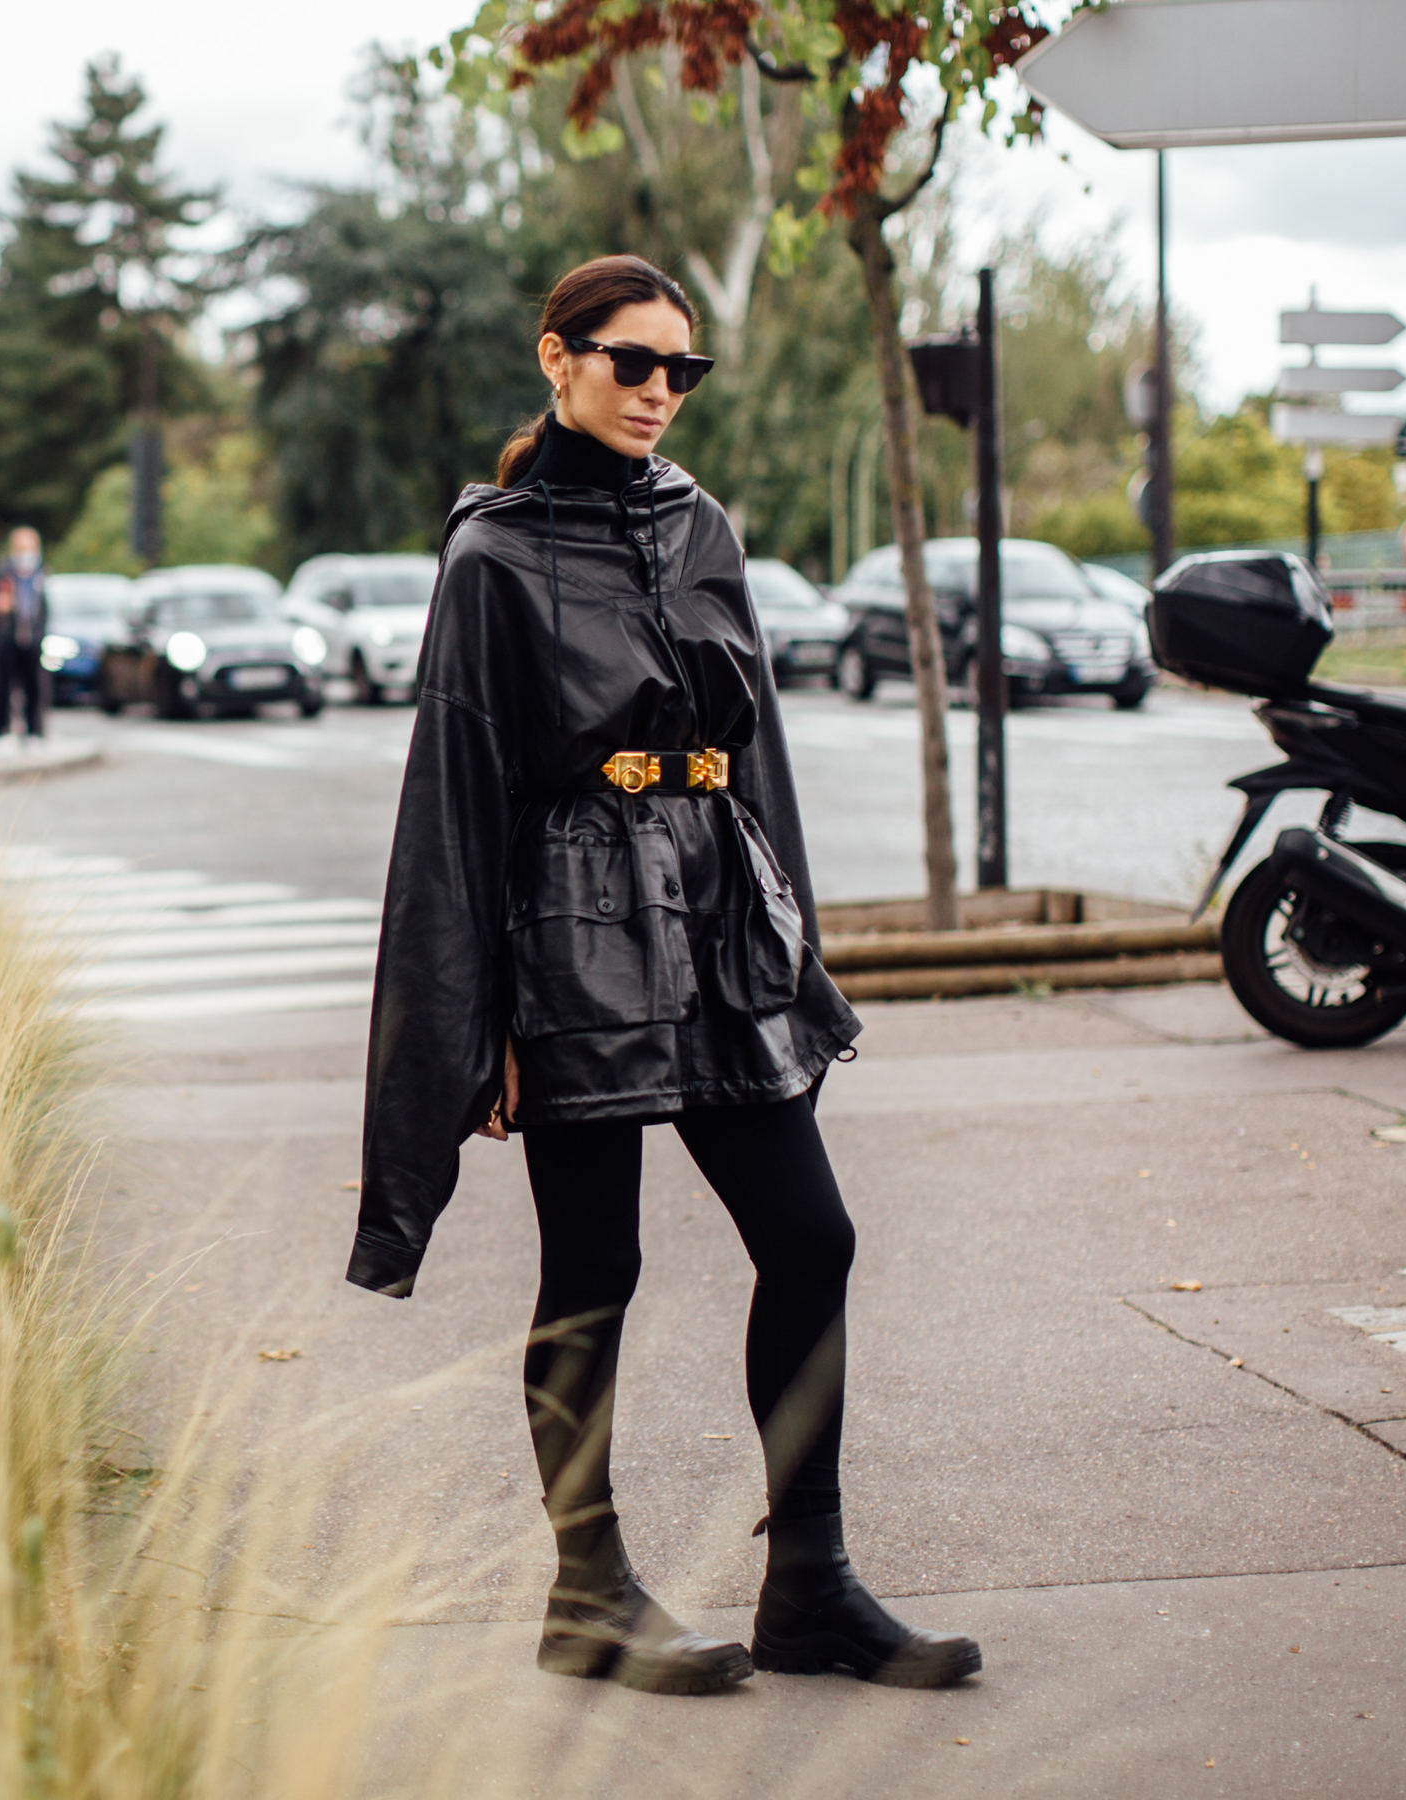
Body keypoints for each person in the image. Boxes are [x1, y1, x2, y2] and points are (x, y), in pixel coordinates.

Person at [351, 255, 980, 1696]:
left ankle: (809, 1583)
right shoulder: (493, 556)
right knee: (596, 1265)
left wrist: (797, 952)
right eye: (632, 363)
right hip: (568, 928)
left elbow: (758, 762)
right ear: (557, 361)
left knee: (811, 1237)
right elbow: (458, 800)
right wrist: (481, 1027)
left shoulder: (705, 530)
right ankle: (586, 1590)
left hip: (710, 908)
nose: (656, 392)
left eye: (680, 370)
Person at [0, 526, 50, 754]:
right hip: (6, 639)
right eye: (21, 548)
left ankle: (34, 733)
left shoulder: (41, 574)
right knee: (1, 688)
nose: (26, 553)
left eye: (30, 547)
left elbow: (45, 608)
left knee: (34, 688)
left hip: (32, 639)